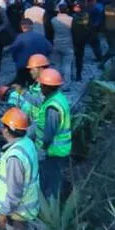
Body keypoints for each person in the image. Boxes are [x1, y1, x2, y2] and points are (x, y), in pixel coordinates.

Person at [0, 108, 39, 230]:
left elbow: (14, 191)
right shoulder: (27, 143)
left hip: (17, 211)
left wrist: (3, 214)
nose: (1, 129)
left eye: (3, 126)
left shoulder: (14, 157)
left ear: (7, 130)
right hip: (23, 207)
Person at [35, 69, 71, 199]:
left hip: (54, 151)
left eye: (42, 85)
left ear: (47, 87)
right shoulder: (59, 98)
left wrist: (43, 148)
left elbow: (49, 131)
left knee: (51, 180)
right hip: (60, 149)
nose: (40, 88)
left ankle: (51, 206)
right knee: (54, 178)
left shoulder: (52, 107)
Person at [0, 54, 48, 122]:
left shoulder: (46, 84)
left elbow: (40, 102)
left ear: (41, 69)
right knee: (15, 95)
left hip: (39, 116)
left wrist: (22, 92)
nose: (30, 72)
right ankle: (7, 115)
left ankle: (5, 116)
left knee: (14, 96)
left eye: (32, 69)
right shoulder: (38, 83)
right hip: (36, 113)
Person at [10, 19, 52, 87]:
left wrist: (17, 60)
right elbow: (49, 49)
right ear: (32, 26)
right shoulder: (40, 36)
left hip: (23, 66)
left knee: (21, 85)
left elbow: (13, 51)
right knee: (36, 86)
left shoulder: (19, 37)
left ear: (21, 27)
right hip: (38, 66)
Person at [50, 4, 74, 88]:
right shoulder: (71, 19)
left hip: (56, 43)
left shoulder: (53, 20)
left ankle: (56, 82)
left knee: (57, 65)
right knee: (67, 65)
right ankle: (66, 85)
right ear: (67, 10)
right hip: (68, 44)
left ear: (59, 10)